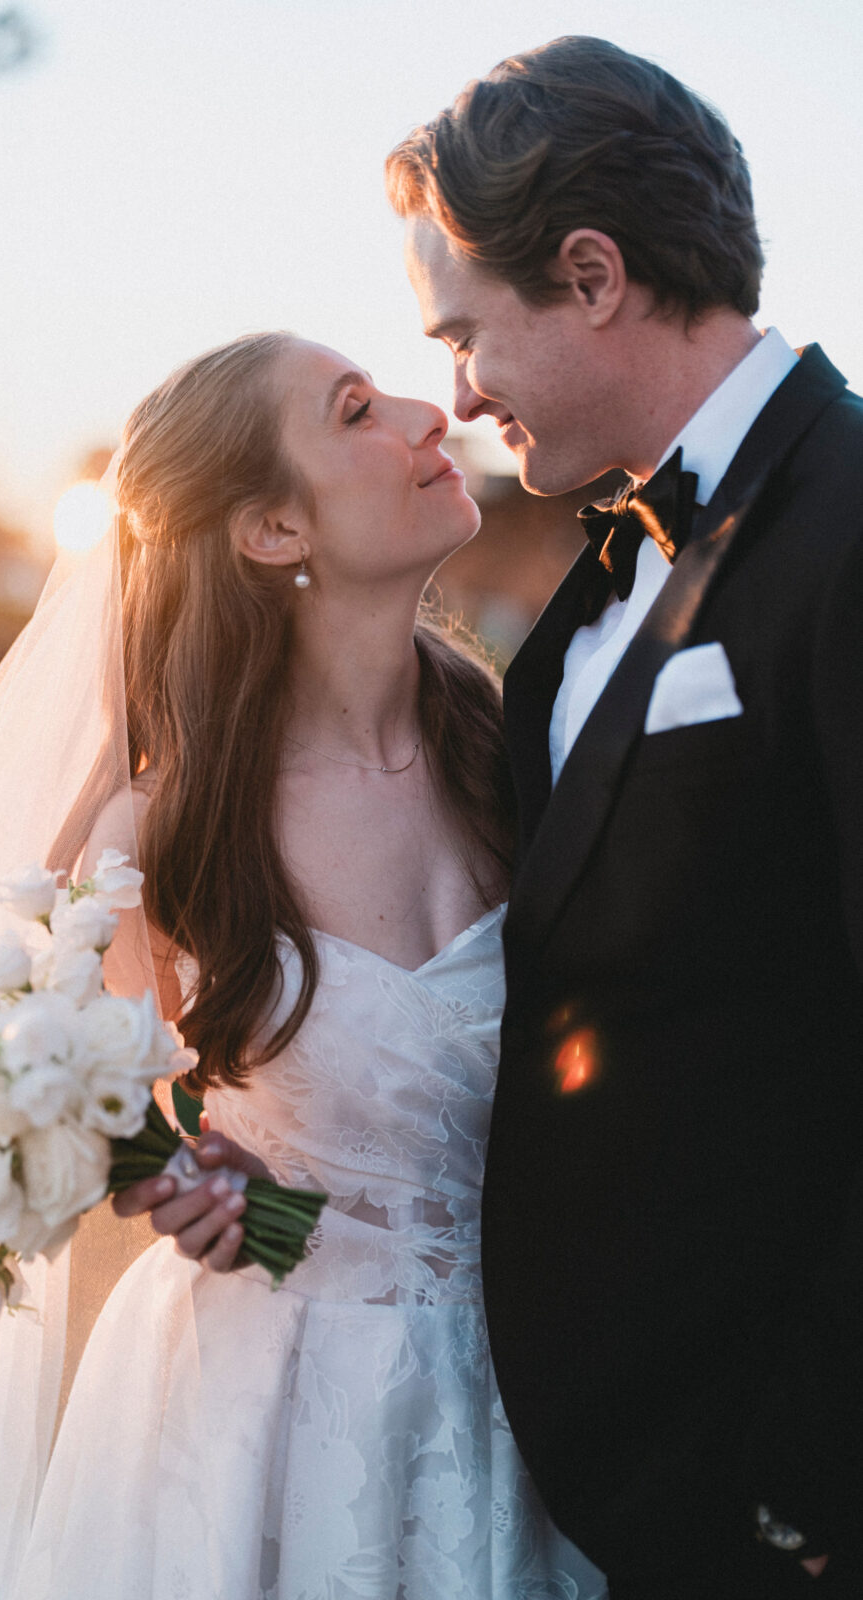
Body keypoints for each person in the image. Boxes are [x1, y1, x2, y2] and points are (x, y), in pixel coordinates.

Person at [0, 329, 606, 1599]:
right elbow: (16, 1071)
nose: (424, 411)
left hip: (543, 1403)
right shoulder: (162, 828)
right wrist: (173, 1175)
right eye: (354, 411)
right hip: (261, 1428)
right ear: (271, 531)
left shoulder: (526, 759)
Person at [375, 33, 863, 1600]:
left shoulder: (847, 527)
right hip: (598, 1483)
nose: (451, 392)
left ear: (588, 275)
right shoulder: (593, 581)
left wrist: (804, 1496)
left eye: (463, 333)